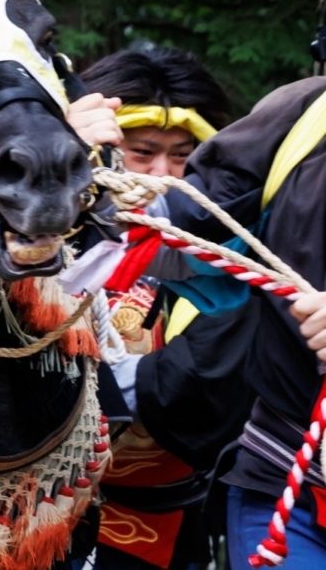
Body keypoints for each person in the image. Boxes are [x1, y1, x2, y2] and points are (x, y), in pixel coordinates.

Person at [72, 46, 240, 570]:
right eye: (142, 152)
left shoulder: (230, 249)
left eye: (183, 155)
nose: (163, 173)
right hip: (40, 508)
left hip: (168, 516)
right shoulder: (49, 240)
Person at [150, 76, 326, 567]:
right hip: (288, 487)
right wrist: (74, 163)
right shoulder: (305, 115)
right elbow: (173, 235)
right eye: (145, 151)